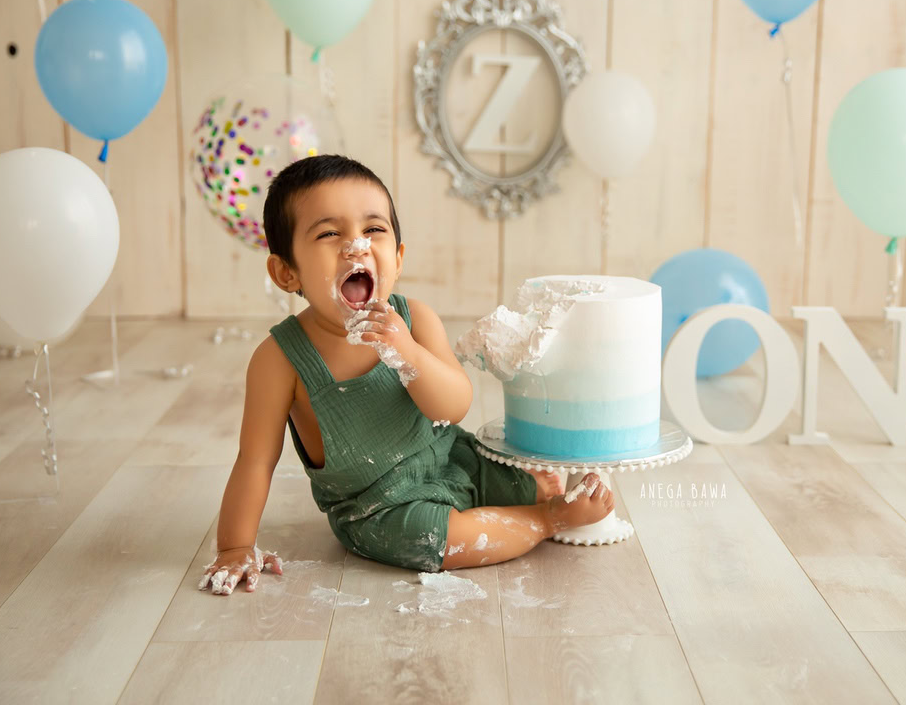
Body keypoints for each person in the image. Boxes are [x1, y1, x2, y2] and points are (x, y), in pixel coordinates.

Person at [200, 155, 613, 595]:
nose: (356, 246)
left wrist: (407, 352)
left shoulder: (415, 319)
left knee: (523, 475)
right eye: (328, 233)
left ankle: (532, 496)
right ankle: (546, 519)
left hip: (451, 459)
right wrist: (234, 546)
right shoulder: (279, 360)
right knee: (442, 539)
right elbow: (255, 462)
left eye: (372, 230)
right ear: (287, 272)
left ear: (396, 259)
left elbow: (453, 407)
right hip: (380, 508)